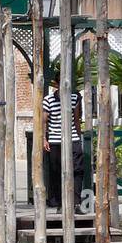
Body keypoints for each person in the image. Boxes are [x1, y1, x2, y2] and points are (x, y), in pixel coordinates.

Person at [41, 79, 84, 210]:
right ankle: (60, 202)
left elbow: (76, 119)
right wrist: (44, 138)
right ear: (56, 85)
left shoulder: (74, 98)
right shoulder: (48, 100)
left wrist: (79, 136)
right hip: (55, 140)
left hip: (73, 138)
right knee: (56, 171)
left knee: (78, 170)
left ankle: (75, 201)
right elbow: (44, 121)